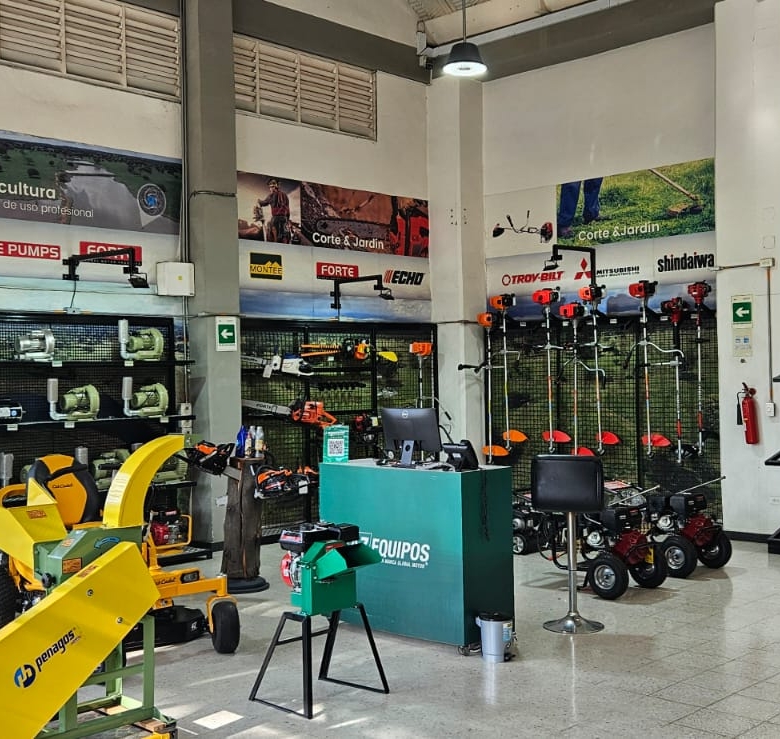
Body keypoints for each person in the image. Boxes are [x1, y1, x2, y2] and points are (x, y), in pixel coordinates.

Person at [254, 178, 291, 243]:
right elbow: (288, 210)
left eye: (271, 187)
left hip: (275, 219)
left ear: (275, 187)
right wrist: (287, 219)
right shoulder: (285, 195)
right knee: (285, 236)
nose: (270, 189)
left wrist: (258, 201)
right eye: (270, 187)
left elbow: (264, 203)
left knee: (274, 237)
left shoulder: (271, 195)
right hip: (284, 219)